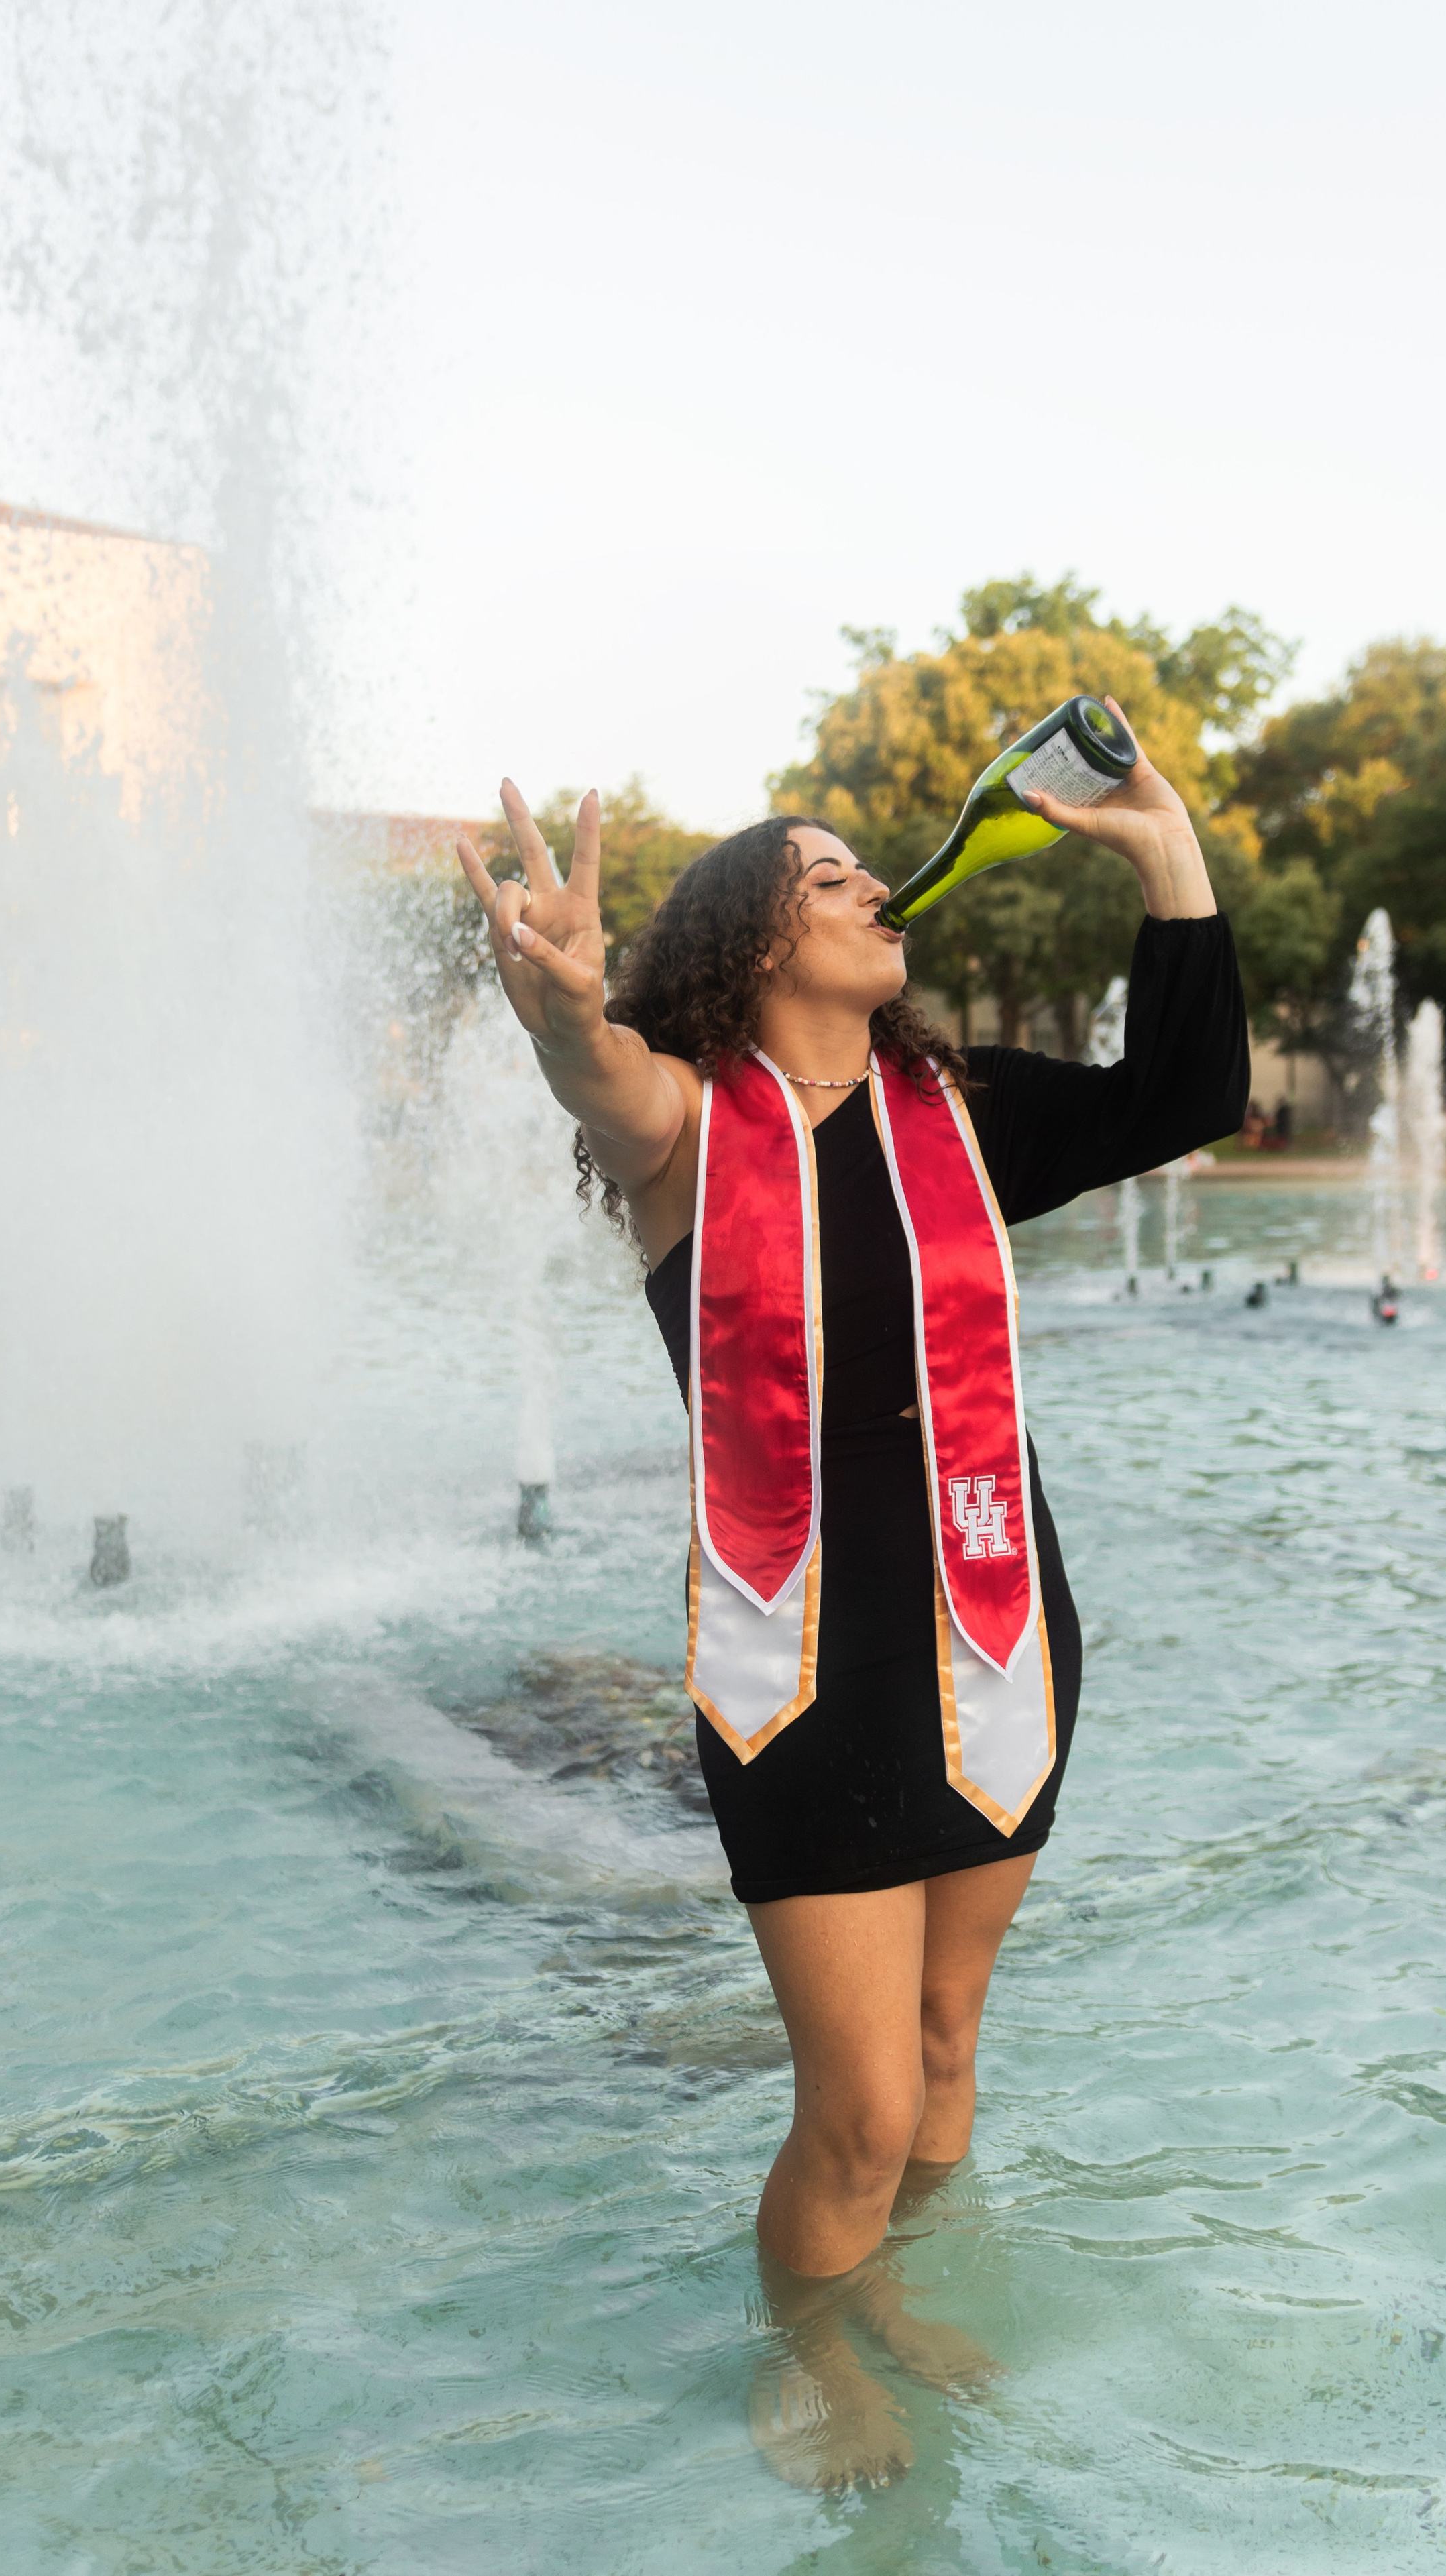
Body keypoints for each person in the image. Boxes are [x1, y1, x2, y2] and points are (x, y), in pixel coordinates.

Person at [455, 702, 1247, 2485]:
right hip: (801, 1669)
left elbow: (1190, 1094)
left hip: (999, 1631)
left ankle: (890, 2291)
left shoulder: (958, 1108)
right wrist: (564, 1006)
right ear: (755, 937)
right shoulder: (692, 1129)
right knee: (864, 2099)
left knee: (951, 2041)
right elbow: (602, 1074)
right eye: (825, 873)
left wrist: (1163, 842)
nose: (872, 880)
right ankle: (809, 2349)